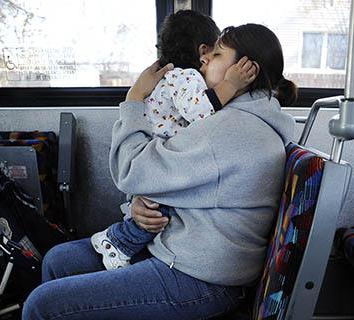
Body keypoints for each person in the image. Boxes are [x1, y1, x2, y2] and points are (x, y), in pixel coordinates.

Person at [22, 23, 297, 320]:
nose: (205, 59)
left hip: (198, 279)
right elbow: (189, 185)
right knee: (59, 261)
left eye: (217, 54)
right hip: (185, 251)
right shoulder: (233, 121)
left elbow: (131, 170)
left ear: (248, 68)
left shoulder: (231, 131)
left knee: (42, 309)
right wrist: (142, 204)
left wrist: (134, 99)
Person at [90, 10, 257, 270]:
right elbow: (201, 109)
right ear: (203, 51)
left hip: (155, 157)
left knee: (156, 211)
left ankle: (117, 239)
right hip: (158, 156)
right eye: (216, 53)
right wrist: (232, 84)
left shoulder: (168, 79)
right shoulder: (186, 77)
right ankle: (117, 242)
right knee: (159, 212)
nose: (210, 61)